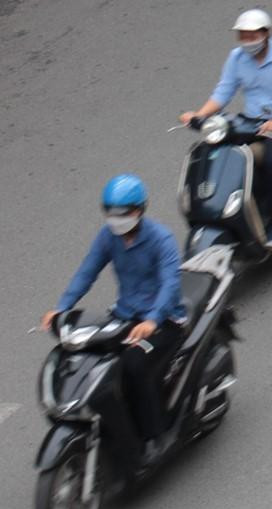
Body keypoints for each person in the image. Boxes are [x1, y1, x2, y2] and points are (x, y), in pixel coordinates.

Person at [40, 174, 188, 466]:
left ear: (138, 210)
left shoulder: (161, 239)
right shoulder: (108, 237)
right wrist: (61, 308)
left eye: (122, 213)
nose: (116, 219)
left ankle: (153, 437)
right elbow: (87, 271)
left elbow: (170, 285)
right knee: (89, 360)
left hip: (163, 321)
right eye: (110, 212)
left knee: (133, 365)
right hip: (123, 317)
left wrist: (152, 321)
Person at [179, 8, 272, 246]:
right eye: (243, 36)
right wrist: (198, 115)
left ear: (266, 33)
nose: (247, 41)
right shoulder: (236, 58)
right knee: (219, 152)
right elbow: (223, 92)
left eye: (252, 36)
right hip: (250, 121)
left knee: (271, 162)